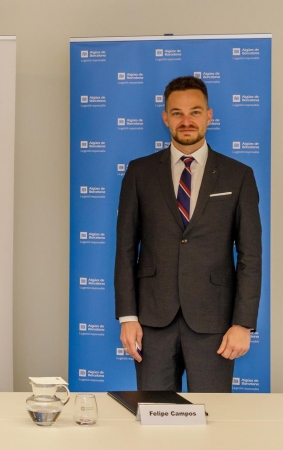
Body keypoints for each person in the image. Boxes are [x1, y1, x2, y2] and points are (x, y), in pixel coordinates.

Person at [114, 76, 262, 392]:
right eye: (177, 113)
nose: (186, 121)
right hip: (152, 321)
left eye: (194, 112)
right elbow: (126, 249)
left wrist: (243, 323)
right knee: (154, 419)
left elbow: (251, 255)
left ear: (209, 115)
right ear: (165, 117)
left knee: (213, 421)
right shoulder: (139, 173)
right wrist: (128, 317)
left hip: (215, 323)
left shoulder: (239, 176)